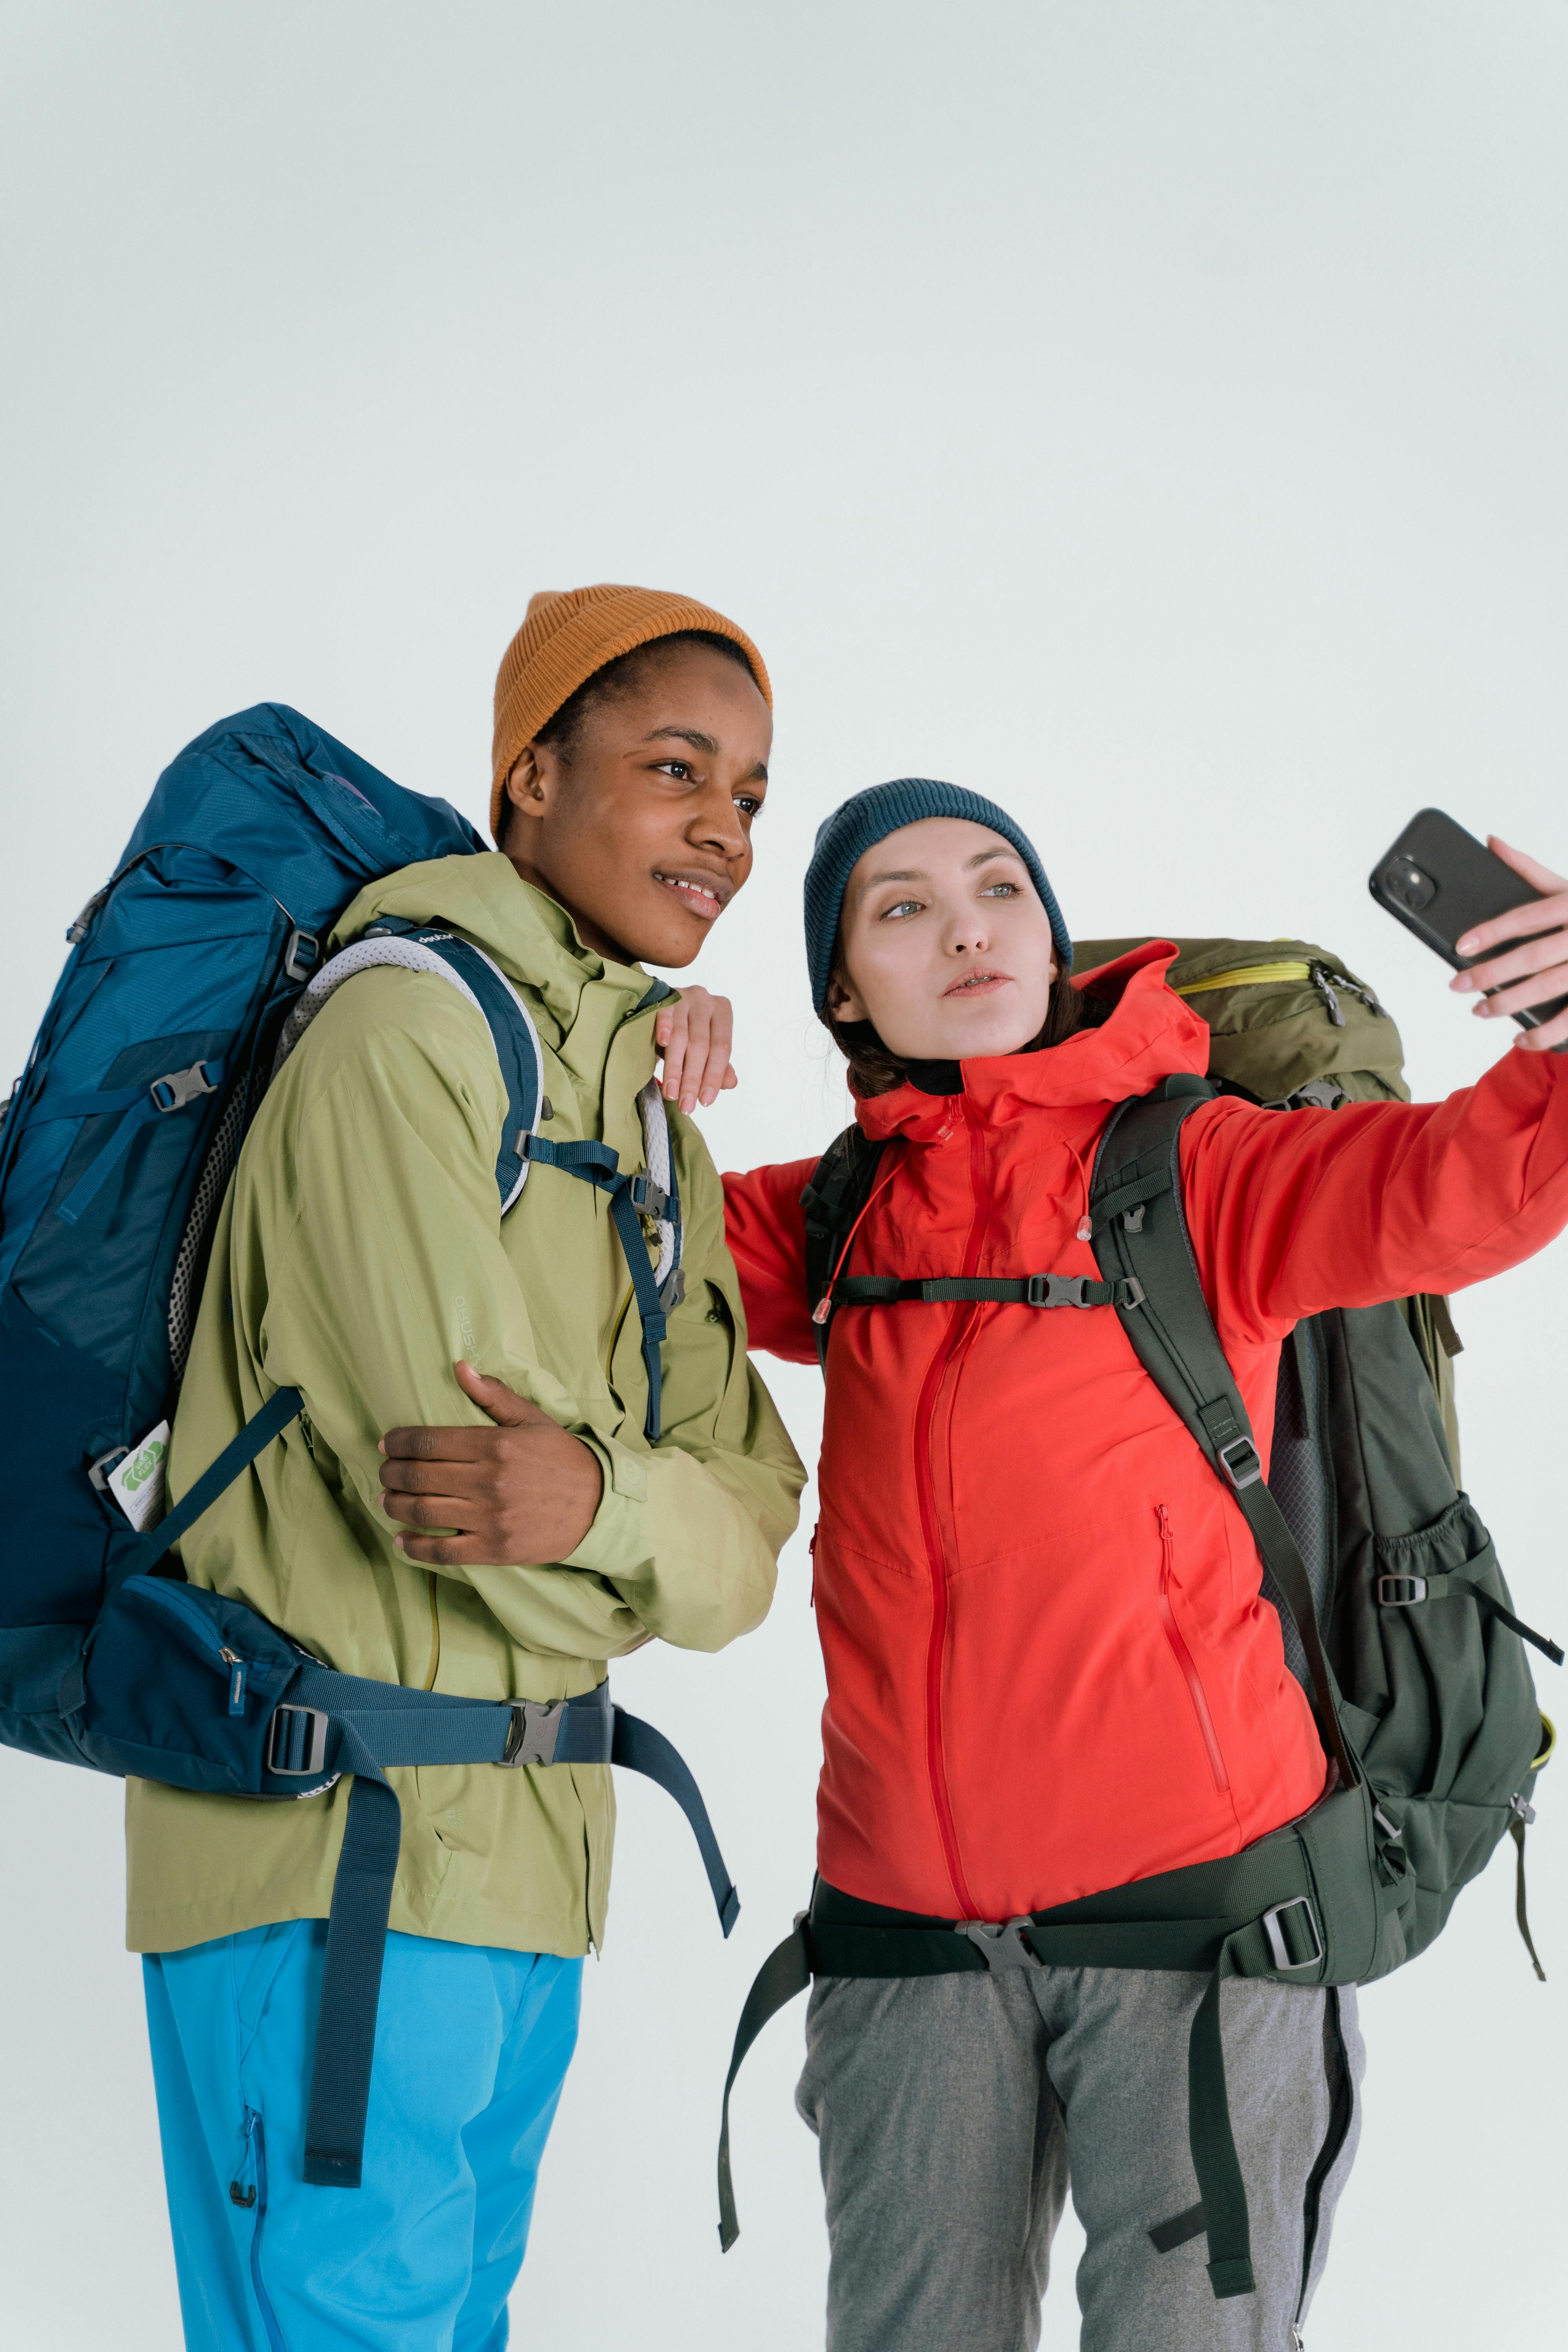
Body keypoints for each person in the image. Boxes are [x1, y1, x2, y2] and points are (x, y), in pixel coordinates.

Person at [407, 781, 1568, 2350]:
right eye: (899, 907)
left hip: (1204, 1924)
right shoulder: (841, 1211)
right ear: (841, 989)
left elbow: (1463, 1186)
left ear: (1050, 930)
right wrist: (630, 1042)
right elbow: (584, 1252)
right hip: (904, 1942)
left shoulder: (1204, 1176)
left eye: (997, 887)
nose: (963, 927)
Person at [133, 583, 806, 2352]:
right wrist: (643, 1519)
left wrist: (613, 1502)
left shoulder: (643, 1105)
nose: (723, 830)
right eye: (677, 770)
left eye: (747, 791)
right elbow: (446, 1494)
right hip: (336, 1849)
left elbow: (754, 1533)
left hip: (525, 1862)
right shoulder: (402, 1037)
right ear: (529, 775)